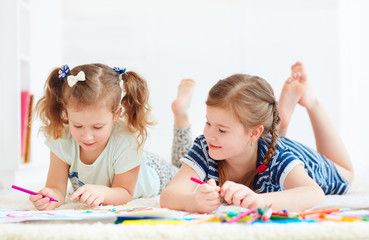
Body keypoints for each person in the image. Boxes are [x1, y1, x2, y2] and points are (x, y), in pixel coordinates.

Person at [160, 62, 354, 213]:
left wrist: (261, 200)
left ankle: (312, 102)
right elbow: (170, 195)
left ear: (253, 133)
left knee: (348, 173)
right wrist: (193, 201)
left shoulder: (278, 156)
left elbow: (314, 193)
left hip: (305, 160)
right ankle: (281, 123)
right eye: (208, 123)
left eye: (222, 130)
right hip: (264, 144)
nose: (209, 134)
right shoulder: (206, 147)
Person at [30, 63, 189, 210]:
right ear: (66, 112)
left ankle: (181, 116)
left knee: (187, 168)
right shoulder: (62, 139)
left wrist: (103, 193)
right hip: (128, 164)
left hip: (157, 174)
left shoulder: (127, 140)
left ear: (116, 114)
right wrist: (50, 197)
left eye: (97, 127)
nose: (87, 136)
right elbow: (56, 188)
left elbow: (125, 192)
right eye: (77, 125)